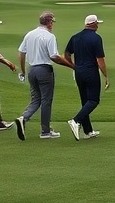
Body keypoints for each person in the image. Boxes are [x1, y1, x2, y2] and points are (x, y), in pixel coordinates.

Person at [16, 11, 74, 141]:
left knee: (36, 99)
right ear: (49, 22)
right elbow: (54, 56)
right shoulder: (49, 36)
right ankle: (45, 131)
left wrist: (23, 71)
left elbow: (21, 53)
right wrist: (71, 66)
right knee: (46, 101)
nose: (53, 24)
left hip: (32, 70)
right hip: (44, 70)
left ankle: (23, 118)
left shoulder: (30, 34)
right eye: (52, 22)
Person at [65, 15, 110, 141]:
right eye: (97, 23)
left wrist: (74, 66)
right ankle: (75, 121)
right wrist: (106, 75)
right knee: (94, 100)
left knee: (85, 101)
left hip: (79, 72)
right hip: (91, 72)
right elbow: (100, 60)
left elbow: (67, 54)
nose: (98, 25)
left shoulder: (75, 37)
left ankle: (87, 131)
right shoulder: (96, 38)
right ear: (93, 24)